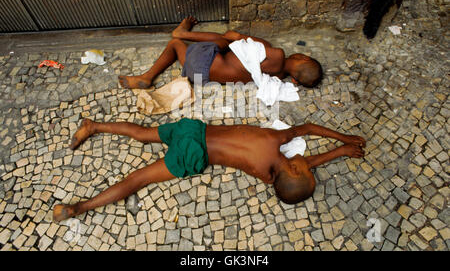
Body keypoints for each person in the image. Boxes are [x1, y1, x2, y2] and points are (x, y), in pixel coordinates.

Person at [53, 118, 365, 222]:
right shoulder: (264, 173)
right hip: (195, 154)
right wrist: (340, 151)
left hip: (192, 132)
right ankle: (81, 207)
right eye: (309, 169)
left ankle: (93, 126)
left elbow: (308, 129)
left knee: (144, 133)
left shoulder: (276, 138)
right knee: (139, 179)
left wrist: (341, 142)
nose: (310, 164)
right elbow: (302, 166)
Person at [118, 17, 323, 90]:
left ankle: (182, 33)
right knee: (176, 47)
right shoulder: (277, 78)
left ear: (302, 57)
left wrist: (233, 36)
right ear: (295, 81)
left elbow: (237, 39)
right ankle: (145, 78)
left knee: (221, 40)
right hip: (199, 77)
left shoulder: (277, 54)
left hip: (204, 60)